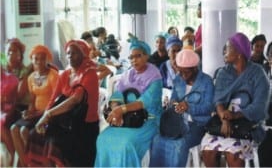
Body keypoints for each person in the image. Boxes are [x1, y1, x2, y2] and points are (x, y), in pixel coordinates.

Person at [201, 32, 270, 167]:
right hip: (222, 122)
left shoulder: (258, 73)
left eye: (228, 48)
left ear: (238, 52)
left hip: (248, 124)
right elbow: (218, 100)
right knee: (207, 152)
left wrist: (233, 116)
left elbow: (259, 107)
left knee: (233, 154)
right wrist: (225, 119)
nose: (224, 52)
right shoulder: (223, 73)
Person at [26, 39, 99, 167]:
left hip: (84, 125)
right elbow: (53, 98)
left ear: (84, 55)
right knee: (36, 135)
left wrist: (47, 115)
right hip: (67, 122)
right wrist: (46, 119)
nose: (70, 56)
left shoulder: (90, 73)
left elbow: (75, 99)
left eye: (74, 53)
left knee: (56, 143)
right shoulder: (65, 74)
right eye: (68, 53)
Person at [94, 37, 163, 167]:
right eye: (131, 57)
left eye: (138, 56)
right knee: (103, 138)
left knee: (126, 143)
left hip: (147, 120)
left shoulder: (155, 76)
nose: (134, 60)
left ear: (146, 56)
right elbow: (117, 94)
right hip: (127, 119)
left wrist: (121, 110)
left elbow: (144, 102)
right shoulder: (128, 74)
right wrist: (115, 108)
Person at [150, 49, 214, 167]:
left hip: (198, 125)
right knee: (157, 140)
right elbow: (173, 101)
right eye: (180, 71)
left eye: (186, 72)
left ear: (195, 68)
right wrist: (173, 104)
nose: (183, 76)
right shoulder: (178, 79)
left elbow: (209, 107)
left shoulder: (206, 81)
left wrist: (189, 107)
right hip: (178, 123)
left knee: (180, 144)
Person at [10, 45, 59, 167]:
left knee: (24, 130)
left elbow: (55, 101)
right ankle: (24, 163)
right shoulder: (31, 77)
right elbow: (32, 100)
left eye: (42, 59)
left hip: (49, 114)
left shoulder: (53, 75)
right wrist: (28, 112)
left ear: (47, 60)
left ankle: (36, 163)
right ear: (31, 60)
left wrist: (38, 113)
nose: (38, 62)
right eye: (35, 59)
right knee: (13, 129)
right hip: (36, 113)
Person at [0, 52, 19, 166]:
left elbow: (13, 98)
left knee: (1, 121)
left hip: (10, 109)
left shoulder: (10, 78)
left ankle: (12, 153)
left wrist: (4, 100)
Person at [4, 38, 33, 112]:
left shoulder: (25, 71)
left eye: (14, 50)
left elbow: (18, 96)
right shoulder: (3, 70)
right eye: (9, 50)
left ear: (20, 54)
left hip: (20, 108)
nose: (10, 53)